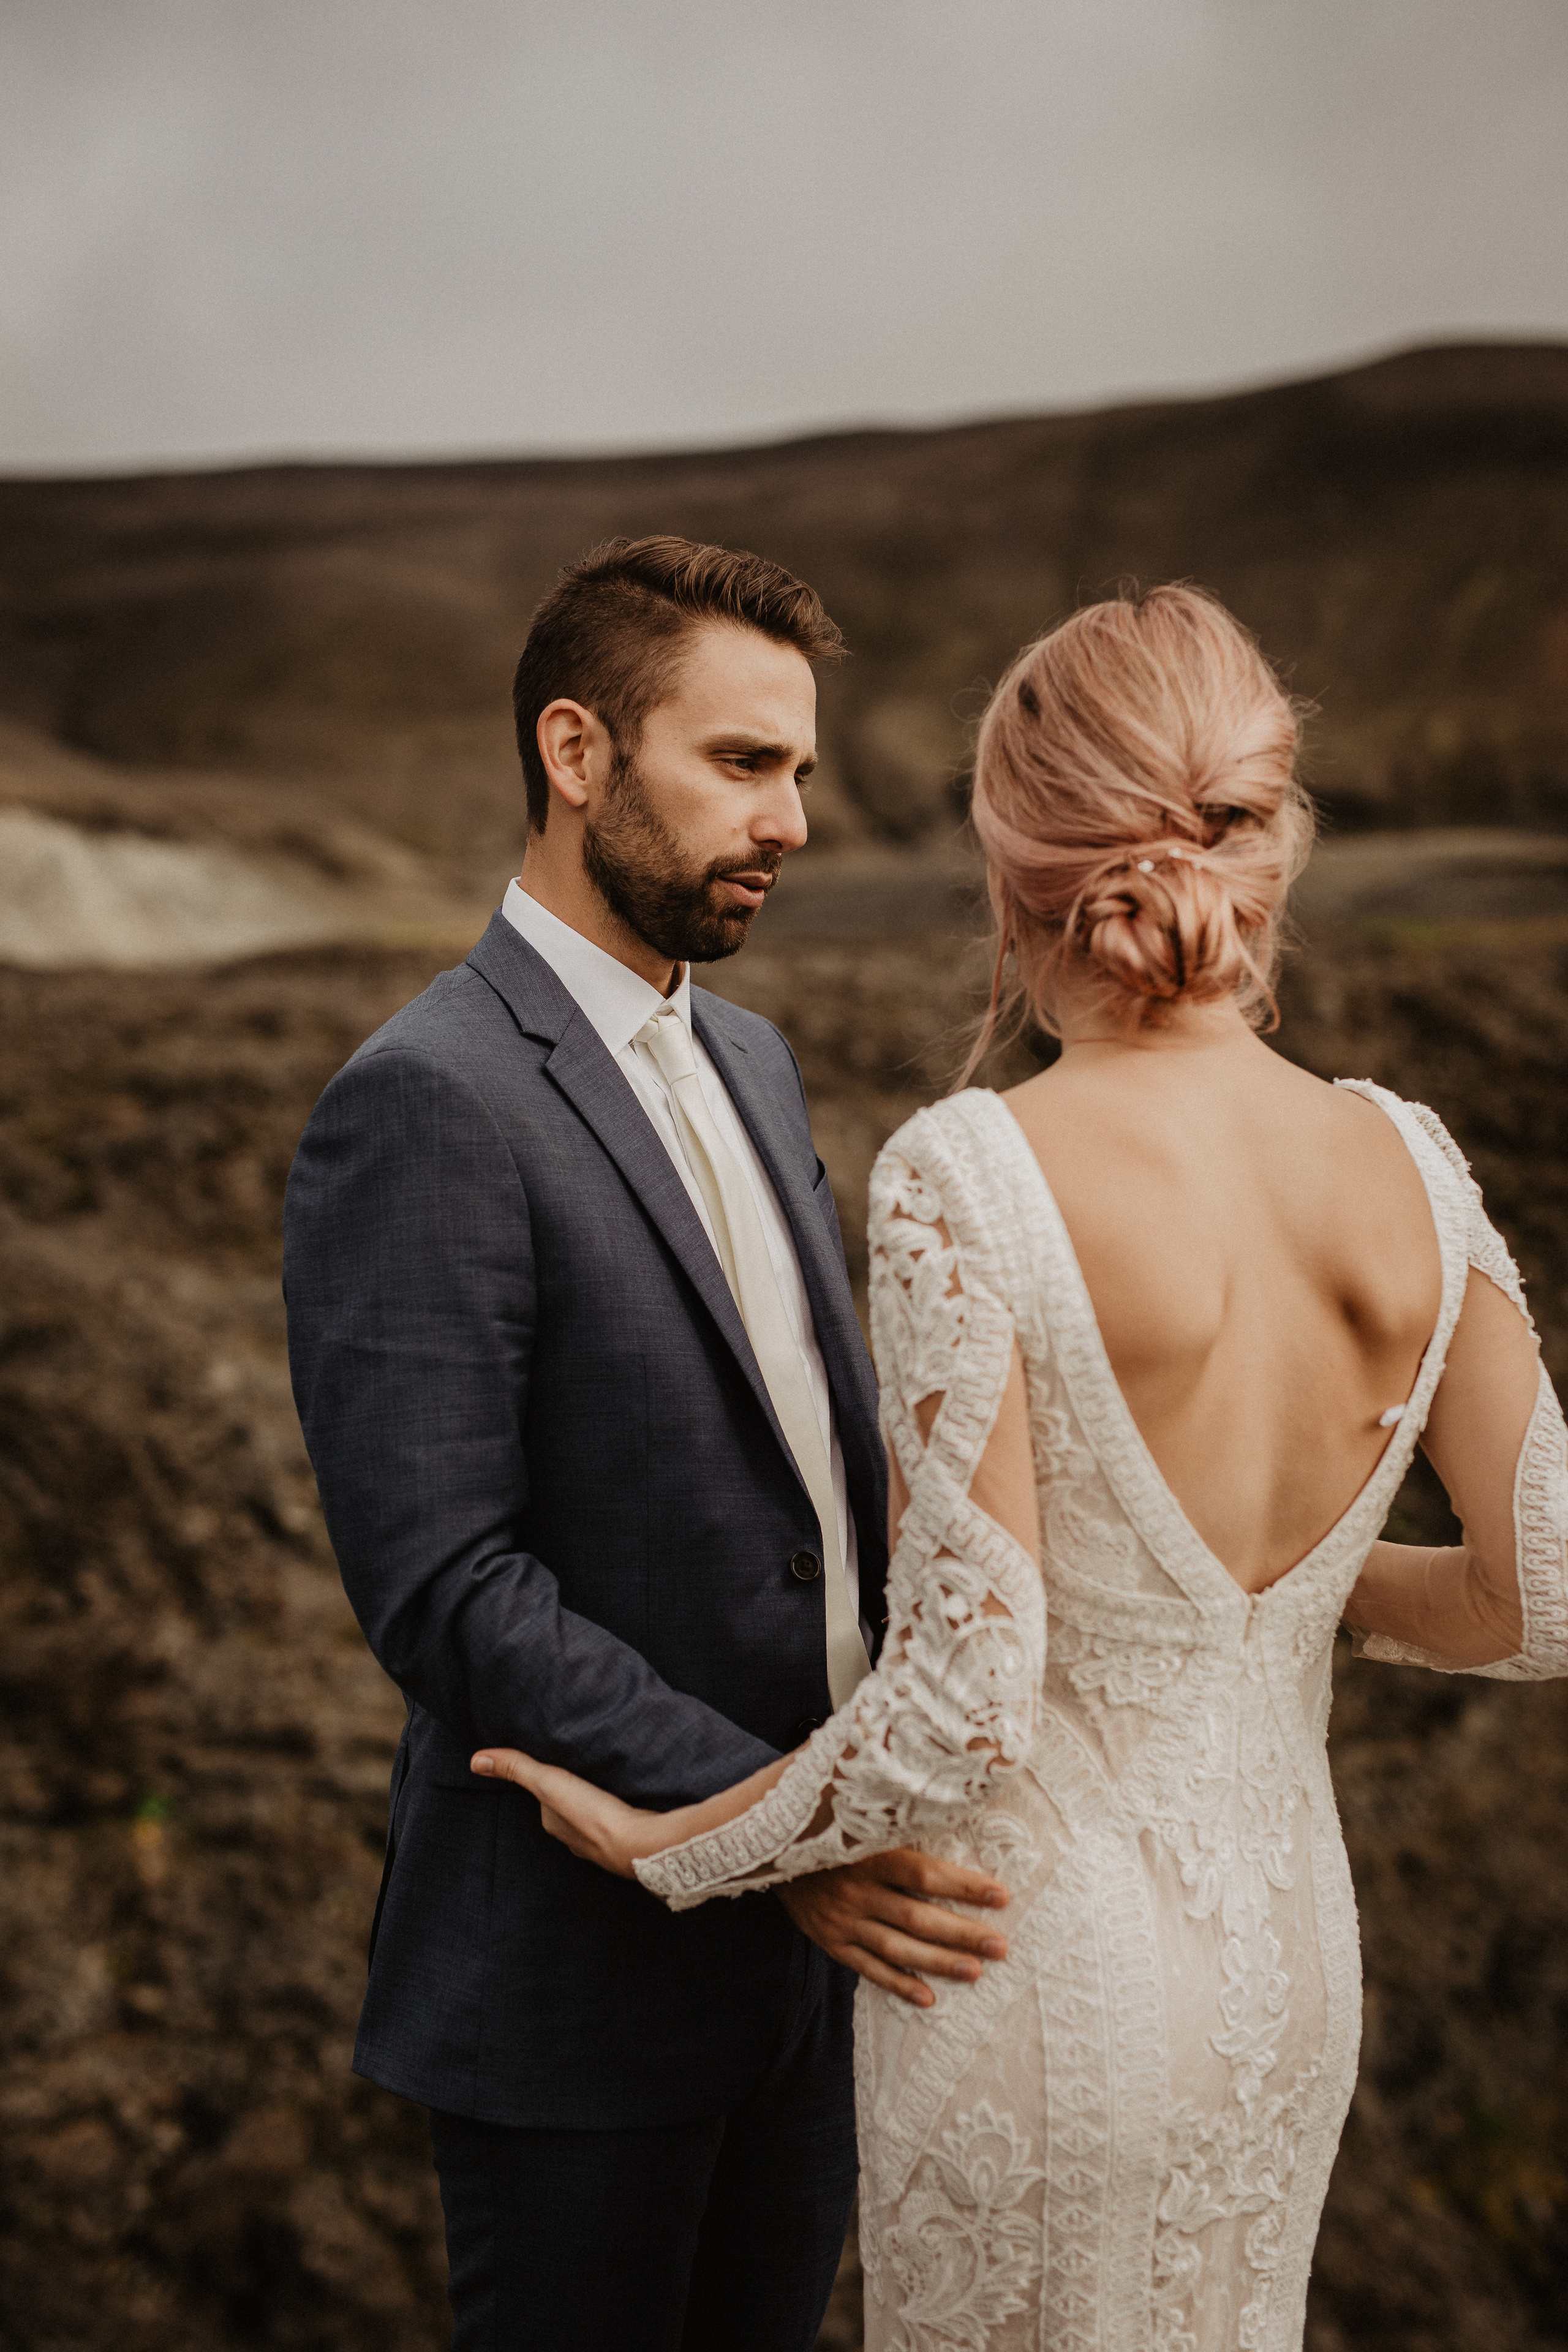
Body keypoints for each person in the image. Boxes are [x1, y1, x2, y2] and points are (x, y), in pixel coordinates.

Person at [471, 583, 1568, 2351]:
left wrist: (678, 1844)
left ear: (1018, 849)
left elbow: (967, 1708)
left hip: (1033, 1972)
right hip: (1286, 1973)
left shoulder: (972, 1172)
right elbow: (1547, 1599)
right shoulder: (1412, 1162)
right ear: (1269, 833)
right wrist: (1263, 1597)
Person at [282, 535, 1014, 2352]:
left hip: (807, 1988)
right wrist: (784, 1832)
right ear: (576, 753)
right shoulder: (420, 1101)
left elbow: (813, 1489)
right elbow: (447, 1588)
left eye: (804, 771)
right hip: (581, 1989)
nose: (794, 820)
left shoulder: (756, 1061)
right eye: (744, 765)